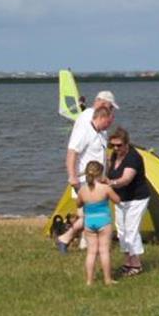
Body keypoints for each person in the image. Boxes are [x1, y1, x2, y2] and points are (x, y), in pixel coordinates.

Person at [56, 98, 117, 252]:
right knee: (90, 215)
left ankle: (82, 242)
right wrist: (72, 176)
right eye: (108, 122)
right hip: (85, 180)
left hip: (99, 180)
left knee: (91, 214)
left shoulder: (102, 133)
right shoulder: (85, 131)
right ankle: (65, 238)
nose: (109, 126)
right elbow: (72, 153)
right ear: (101, 118)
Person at [106, 128, 150, 277]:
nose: (115, 148)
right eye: (112, 145)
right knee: (121, 231)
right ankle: (127, 262)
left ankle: (136, 264)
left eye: (119, 145)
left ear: (126, 143)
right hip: (121, 199)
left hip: (137, 199)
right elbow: (110, 171)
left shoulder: (133, 157)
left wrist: (110, 183)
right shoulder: (114, 155)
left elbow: (126, 179)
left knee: (131, 230)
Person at [76, 161, 121, 286]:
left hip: (89, 221)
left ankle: (89, 281)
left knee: (91, 252)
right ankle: (107, 279)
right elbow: (117, 200)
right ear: (101, 174)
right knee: (104, 251)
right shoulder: (105, 188)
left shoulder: (82, 190)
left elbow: (78, 204)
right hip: (103, 221)